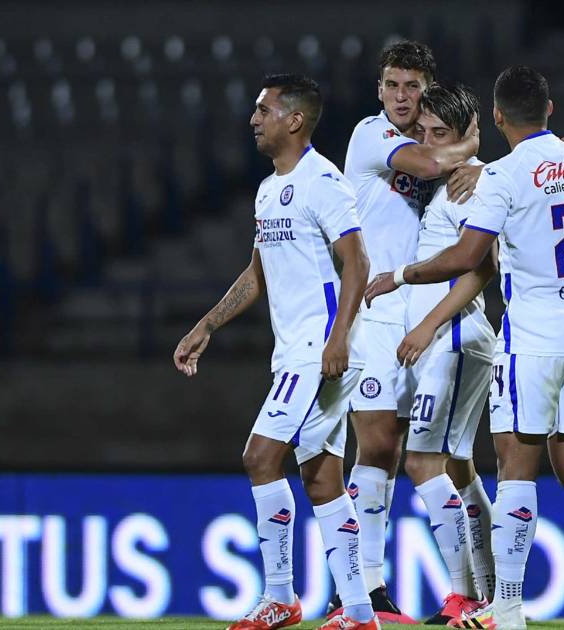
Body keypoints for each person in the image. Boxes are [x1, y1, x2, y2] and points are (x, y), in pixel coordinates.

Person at [364, 65, 564, 630]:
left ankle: (505, 606)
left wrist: (401, 275)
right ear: (549, 109)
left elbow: (467, 258)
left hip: (533, 340)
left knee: (515, 468)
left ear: (498, 116)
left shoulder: (502, 177)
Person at [172, 74, 379, 630]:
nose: (253, 120)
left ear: (294, 119)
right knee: (322, 479)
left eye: (263, 110)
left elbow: (358, 262)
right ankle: (360, 611)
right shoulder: (268, 190)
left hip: (319, 349)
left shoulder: (323, 182)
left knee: (260, 457)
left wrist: (339, 337)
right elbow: (258, 273)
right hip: (299, 350)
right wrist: (208, 324)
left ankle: (280, 597)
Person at [335, 40, 481, 624]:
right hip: (373, 310)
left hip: (418, 312)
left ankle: (378, 588)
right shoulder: (371, 134)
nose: (400, 96)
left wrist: (470, 166)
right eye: (392, 84)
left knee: (401, 449)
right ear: (379, 89)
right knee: (376, 444)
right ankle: (362, 587)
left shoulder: (431, 145)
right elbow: (426, 165)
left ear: (426, 91)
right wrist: (470, 147)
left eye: (412, 87)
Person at [399, 82, 500, 624]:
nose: (428, 142)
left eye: (441, 133)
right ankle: (489, 596)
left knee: (421, 461)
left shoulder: (469, 186)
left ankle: (463, 595)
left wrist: (428, 326)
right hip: (453, 340)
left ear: (464, 136)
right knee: (458, 468)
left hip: (455, 337)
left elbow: (482, 268)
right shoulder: (450, 182)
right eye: (423, 132)